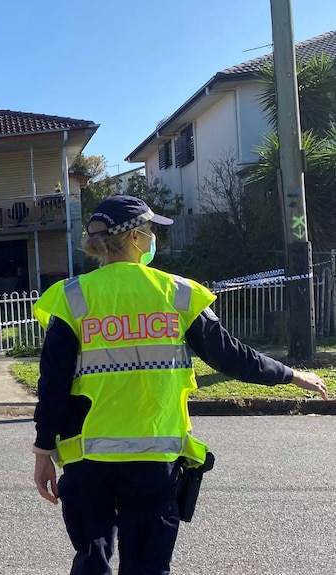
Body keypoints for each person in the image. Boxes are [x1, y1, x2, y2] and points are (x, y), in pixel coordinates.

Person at [31, 195, 328, 575]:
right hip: (154, 457)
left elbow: (52, 384)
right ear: (137, 237)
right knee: (148, 567)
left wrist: (43, 452)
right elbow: (231, 357)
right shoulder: (177, 293)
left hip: (87, 458)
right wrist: (291, 374)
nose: (153, 237)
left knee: (92, 562)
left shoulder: (71, 297)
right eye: (151, 230)